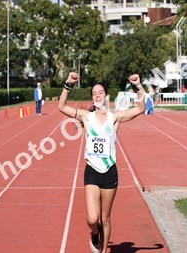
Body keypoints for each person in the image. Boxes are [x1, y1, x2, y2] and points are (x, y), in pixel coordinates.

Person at [58, 72, 145, 253]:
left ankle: (104, 250)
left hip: (109, 172)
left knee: (105, 218)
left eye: (100, 92)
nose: (97, 95)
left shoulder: (115, 118)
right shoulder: (85, 117)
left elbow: (140, 109)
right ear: (93, 98)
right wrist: (67, 84)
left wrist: (138, 86)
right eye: (94, 93)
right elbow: (62, 106)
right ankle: (94, 232)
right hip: (92, 171)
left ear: (106, 96)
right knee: (92, 218)